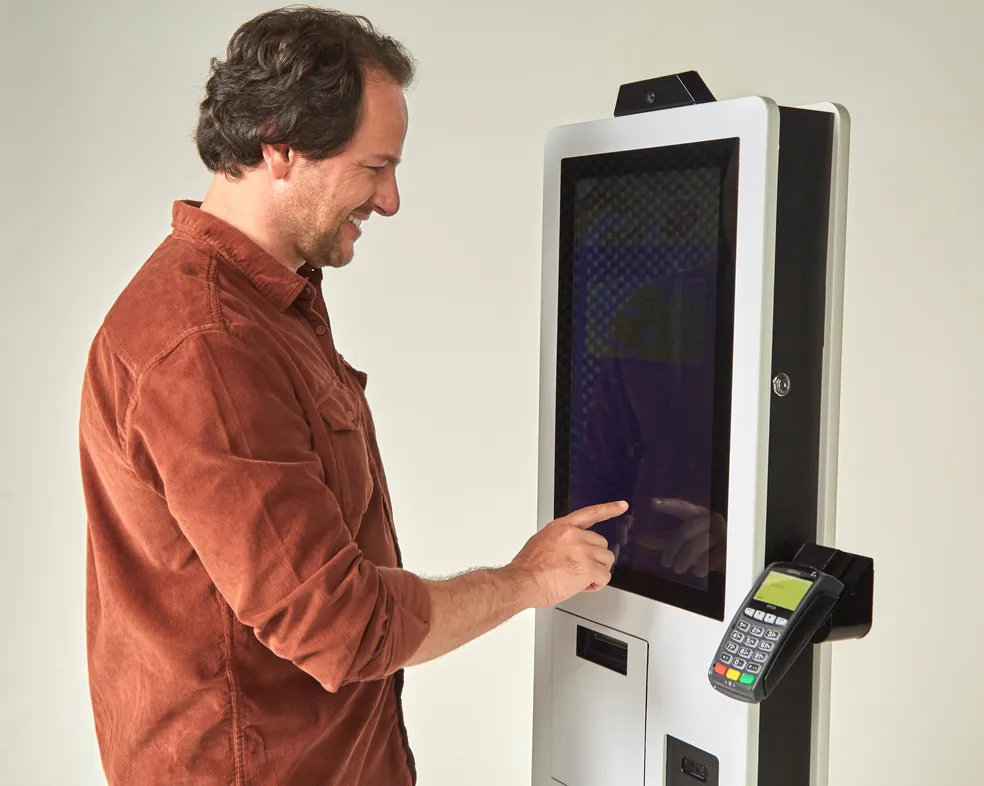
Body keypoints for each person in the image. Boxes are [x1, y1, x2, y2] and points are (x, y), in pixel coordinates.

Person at [77, 6, 623, 786]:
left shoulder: (268, 303)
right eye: (375, 168)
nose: (390, 199)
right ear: (280, 147)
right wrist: (528, 581)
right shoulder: (209, 345)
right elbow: (341, 626)